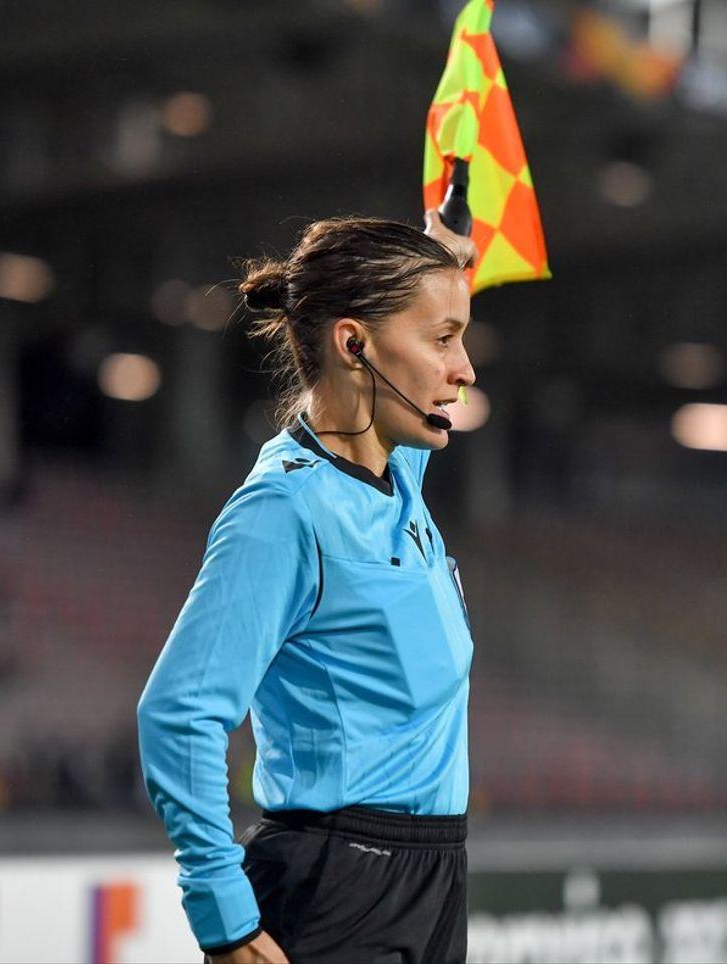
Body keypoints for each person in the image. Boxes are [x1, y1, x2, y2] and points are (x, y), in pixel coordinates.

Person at [137, 211, 479, 963]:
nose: (465, 368)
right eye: (443, 339)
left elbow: (409, 347)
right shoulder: (283, 512)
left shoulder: (397, 474)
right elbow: (178, 714)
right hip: (336, 894)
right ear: (353, 344)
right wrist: (223, 916)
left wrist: (448, 249)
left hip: (431, 884)